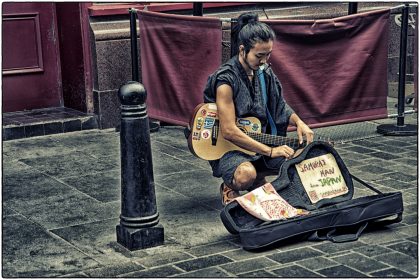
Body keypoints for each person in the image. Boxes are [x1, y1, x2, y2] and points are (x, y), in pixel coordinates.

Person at [203, 12, 314, 205]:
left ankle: (257, 179)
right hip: (230, 149)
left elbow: (279, 105)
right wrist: (270, 152)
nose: (264, 60)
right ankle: (233, 184)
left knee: (300, 158)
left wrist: (299, 122)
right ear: (242, 50)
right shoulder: (226, 80)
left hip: (259, 143)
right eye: (259, 55)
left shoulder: (264, 72)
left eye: (268, 54)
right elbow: (229, 131)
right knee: (245, 175)